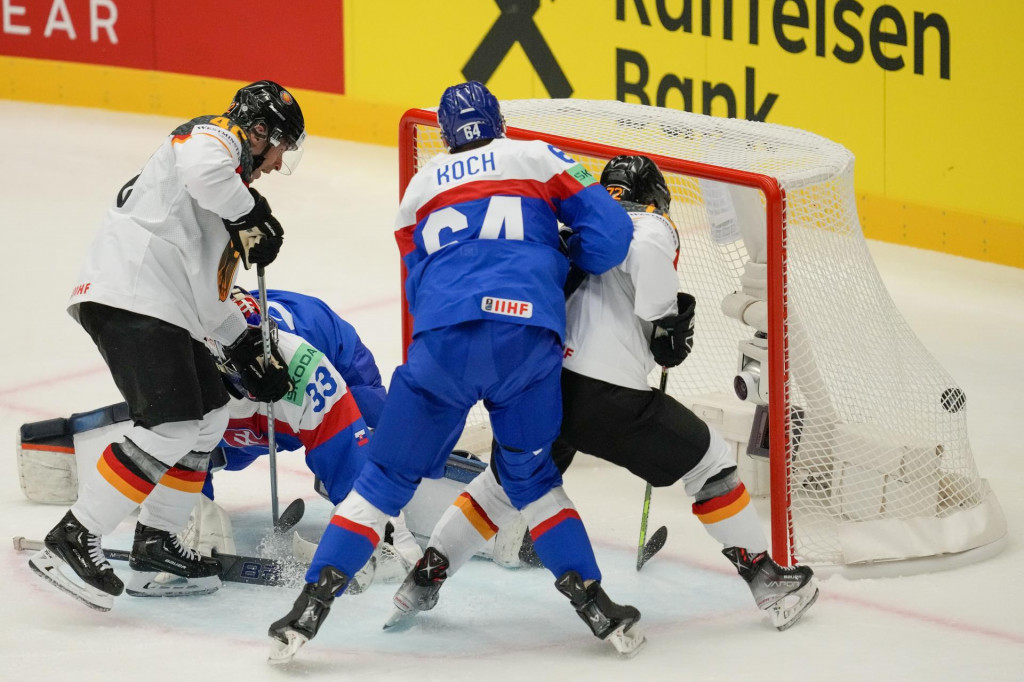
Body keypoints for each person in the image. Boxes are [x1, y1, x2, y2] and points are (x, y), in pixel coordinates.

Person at [266, 80, 643, 663]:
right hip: (526, 340)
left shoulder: (418, 189)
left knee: (383, 483)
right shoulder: (536, 155)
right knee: (532, 477)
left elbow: (420, 279)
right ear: (499, 121)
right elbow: (613, 236)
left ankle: (310, 606)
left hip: (443, 343)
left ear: (444, 135)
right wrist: (563, 259)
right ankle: (594, 602)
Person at [399, 155, 819, 632]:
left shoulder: (580, 225)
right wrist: (663, 316)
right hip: (606, 395)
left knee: (502, 486)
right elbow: (646, 258)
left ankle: (424, 578)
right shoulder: (652, 224)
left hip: (539, 384)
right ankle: (766, 578)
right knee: (711, 463)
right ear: (655, 197)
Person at [28, 81, 305, 612]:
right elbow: (203, 170)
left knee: (210, 416)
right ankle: (73, 537)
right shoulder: (216, 136)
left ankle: (157, 542)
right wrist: (251, 213)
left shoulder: (222, 200)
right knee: (171, 426)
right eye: (280, 148)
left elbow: (207, 297)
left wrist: (247, 347)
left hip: (163, 306)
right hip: (132, 296)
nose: (276, 163)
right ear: (260, 131)